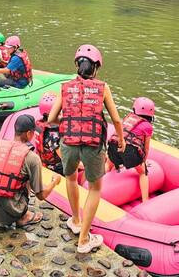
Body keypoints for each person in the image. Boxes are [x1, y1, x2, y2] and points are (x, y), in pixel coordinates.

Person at [46, 44, 125, 254]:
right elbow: (116, 119)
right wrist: (122, 141)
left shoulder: (65, 87)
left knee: (70, 179)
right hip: (93, 145)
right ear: (96, 68)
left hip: (69, 143)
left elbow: (52, 119)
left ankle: (75, 220)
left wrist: (69, 120)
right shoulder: (103, 87)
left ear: (76, 65)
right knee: (95, 188)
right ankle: (83, 240)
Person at [0, 114, 61, 228]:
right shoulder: (32, 157)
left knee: (10, 172)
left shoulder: (0, 145)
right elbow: (41, 196)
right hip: (10, 213)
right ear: (28, 133)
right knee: (25, 177)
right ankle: (23, 217)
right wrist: (54, 182)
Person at [106, 97, 155, 202]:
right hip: (130, 151)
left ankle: (100, 183)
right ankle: (145, 200)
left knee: (108, 164)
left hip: (114, 145)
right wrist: (143, 162)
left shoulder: (128, 118)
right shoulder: (148, 126)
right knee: (143, 173)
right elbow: (146, 147)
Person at [35, 92, 64, 174]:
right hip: (54, 168)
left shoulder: (40, 124)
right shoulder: (52, 134)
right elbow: (65, 158)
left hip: (44, 162)